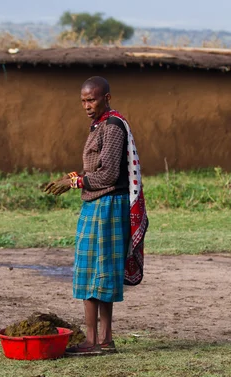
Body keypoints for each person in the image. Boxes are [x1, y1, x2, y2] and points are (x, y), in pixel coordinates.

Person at [45, 76, 149, 356]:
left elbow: (108, 174)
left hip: (107, 206)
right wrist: (74, 177)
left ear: (107, 98)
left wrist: (75, 182)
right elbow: (96, 170)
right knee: (97, 272)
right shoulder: (100, 125)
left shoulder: (113, 127)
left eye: (91, 100)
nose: (87, 106)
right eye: (83, 101)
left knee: (95, 272)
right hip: (98, 204)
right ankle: (102, 340)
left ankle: (96, 341)